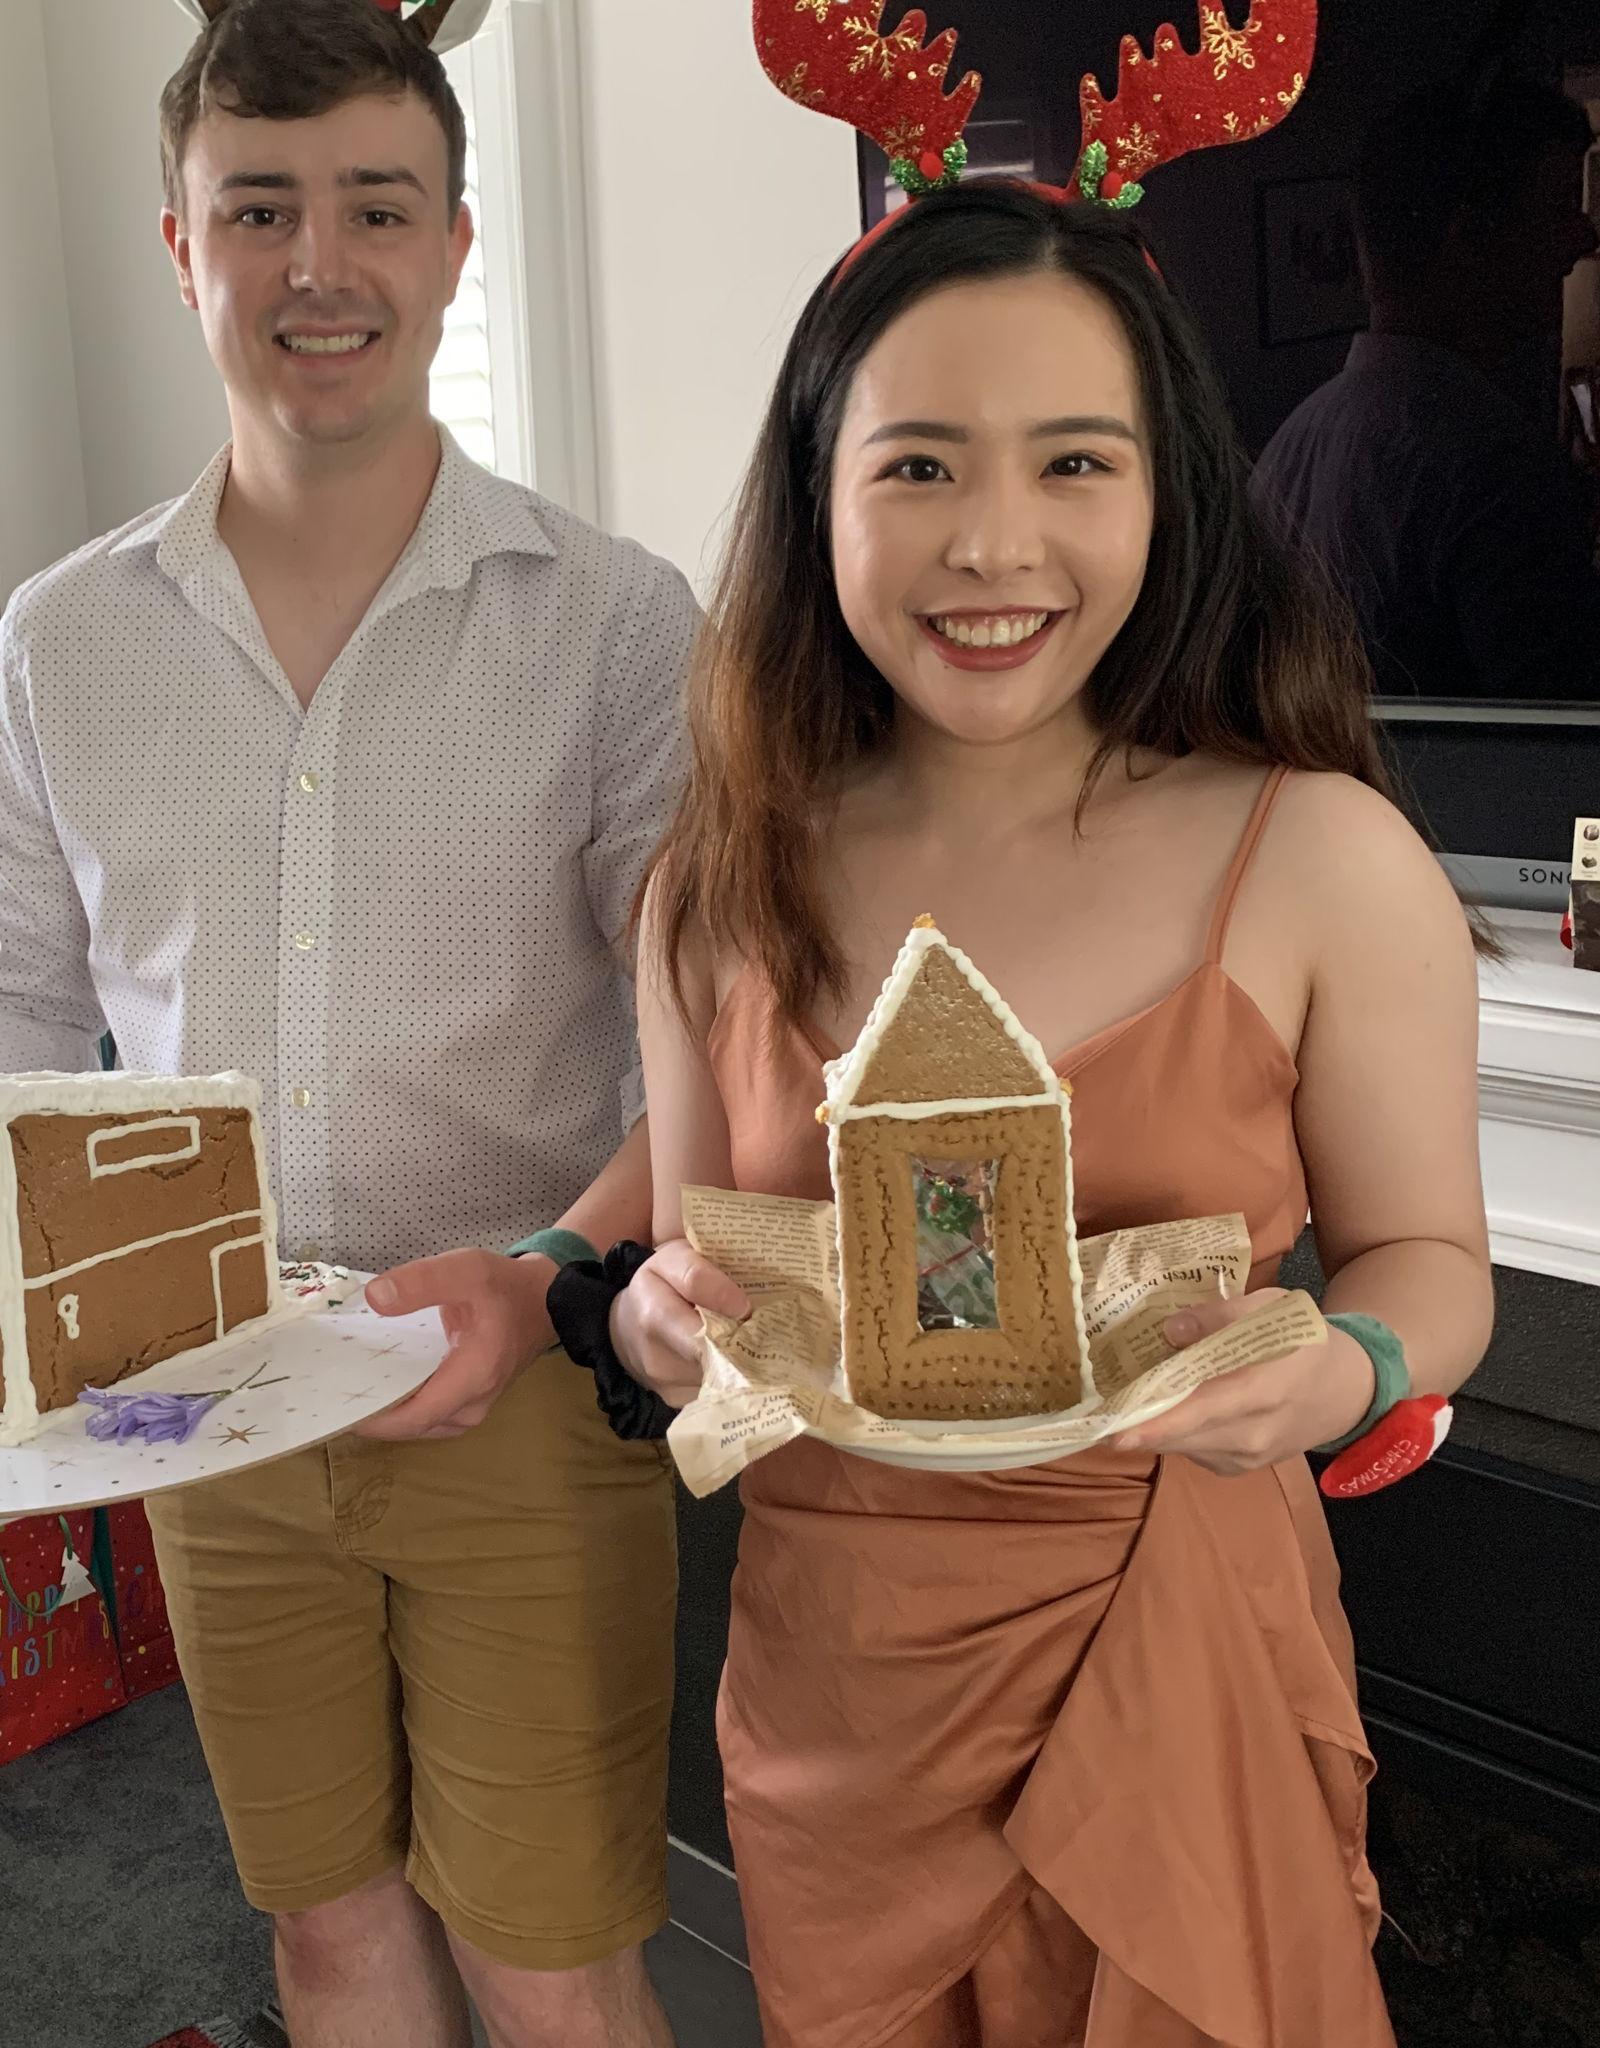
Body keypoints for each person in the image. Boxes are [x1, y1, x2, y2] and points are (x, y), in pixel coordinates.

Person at [0, 4, 696, 2043]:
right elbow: (11, 986)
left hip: (517, 1395)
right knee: (321, 1929)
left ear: (456, 241)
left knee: (549, 1963)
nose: (316, 265)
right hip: (198, 1395)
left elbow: (700, 1036)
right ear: (179, 248)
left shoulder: (621, 626)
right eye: (256, 210)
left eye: (376, 207)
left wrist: (551, 1274)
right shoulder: (65, 640)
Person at [604, 182, 1493, 2045]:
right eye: (916, 467)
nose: (992, 544)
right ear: (816, 494)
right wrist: (645, 1309)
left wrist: (1335, 1366)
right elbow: (702, 1258)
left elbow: (1426, 1262)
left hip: (1180, 1646)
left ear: (1166, 485)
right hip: (837, 1681)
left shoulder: (1319, 854)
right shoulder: (714, 886)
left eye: (1071, 460)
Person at [1253, 79, 1600, 702]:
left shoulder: (1286, 452)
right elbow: (1561, 749)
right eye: (1556, 209)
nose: (1584, 237)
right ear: (1467, 237)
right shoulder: (1495, 466)